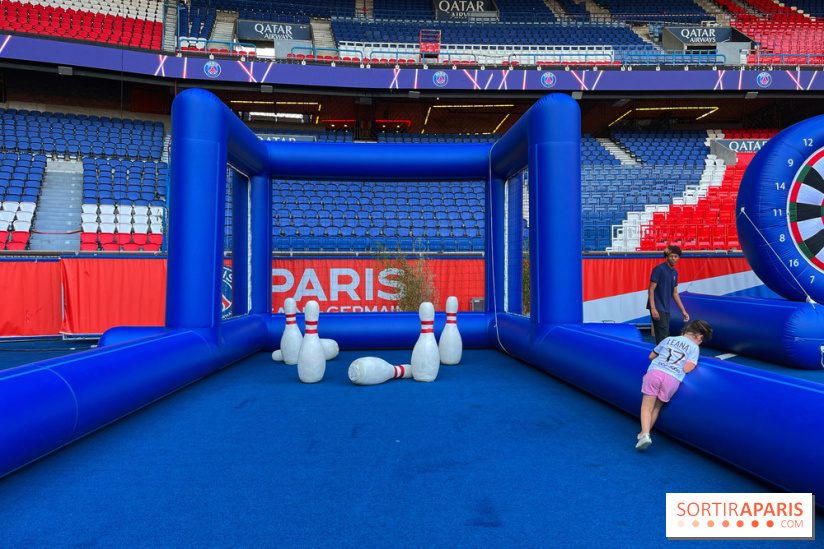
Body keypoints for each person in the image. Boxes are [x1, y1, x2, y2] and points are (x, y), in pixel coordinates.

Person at [636, 319, 713, 450]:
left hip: (656, 372)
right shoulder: (694, 348)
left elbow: (651, 356)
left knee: (646, 406)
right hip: (672, 379)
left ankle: (646, 434)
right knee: (657, 407)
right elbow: (687, 369)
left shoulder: (668, 339)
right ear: (699, 337)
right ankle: (645, 433)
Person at [647, 245, 688, 344]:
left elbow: (675, 293)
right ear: (666, 256)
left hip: (666, 307)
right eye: (671, 256)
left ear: (679, 257)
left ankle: (660, 355)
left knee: (664, 333)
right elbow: (651, 289)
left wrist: (683, 310)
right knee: (663, 334)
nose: (673, 258)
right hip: (657, 306)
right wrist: (653, 308)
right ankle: (662, 357)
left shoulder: (675, 272)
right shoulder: (659, 269)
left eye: (676, 256)